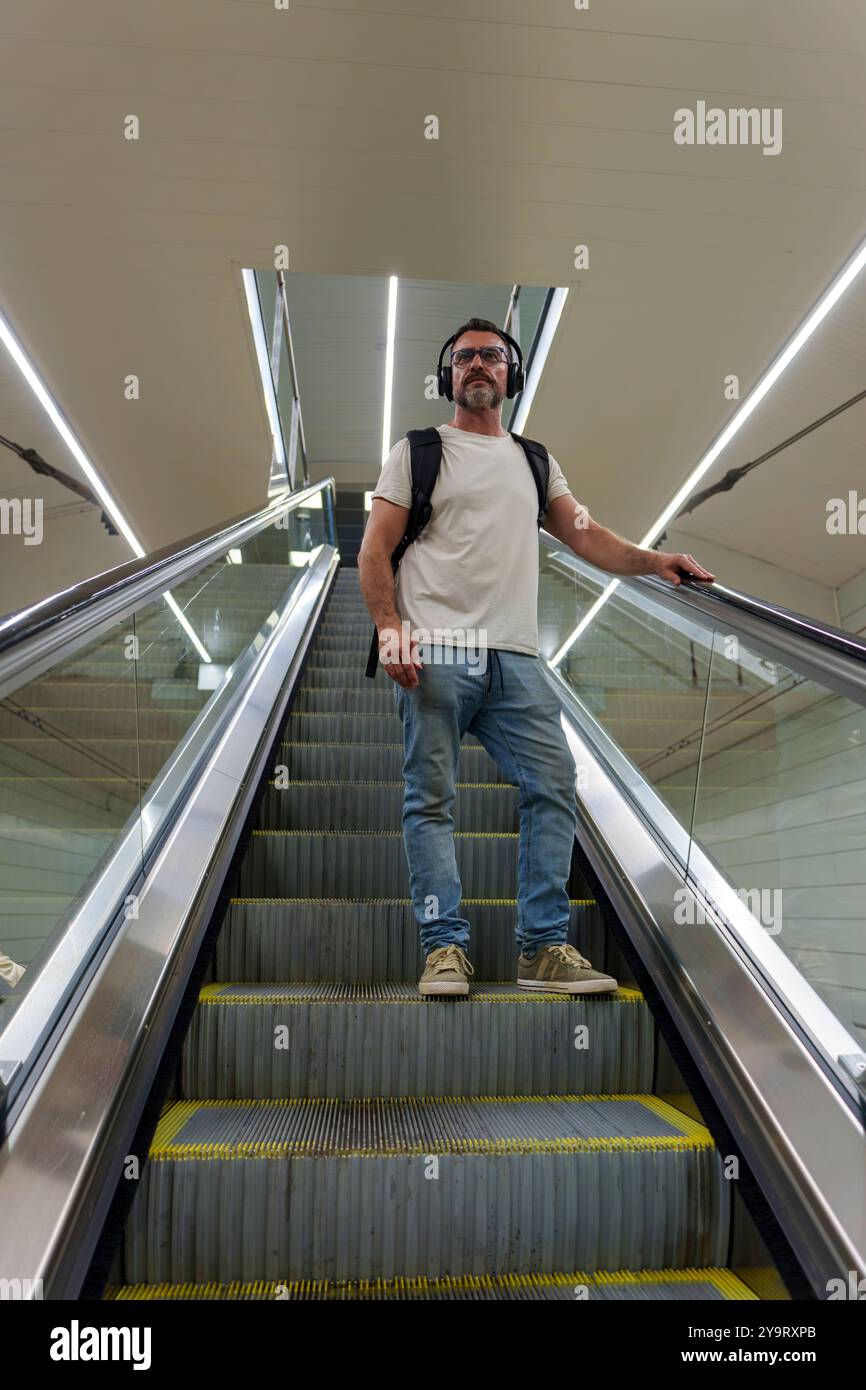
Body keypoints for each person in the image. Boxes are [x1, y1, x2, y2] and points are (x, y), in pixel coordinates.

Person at [358, 318, 715, 997]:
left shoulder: (535, 460)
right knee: (429, 801)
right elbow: (374, 549)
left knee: (553, 786)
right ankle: (444, 950)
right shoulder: (419, 451)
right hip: (435, 649)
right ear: (449, 376)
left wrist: (654, 560)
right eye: (464, 358)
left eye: (492, 356)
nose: (478, 366)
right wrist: (390, 626)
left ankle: (543, 948)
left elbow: (587, 537)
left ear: (511, 375)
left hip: (518, 659)